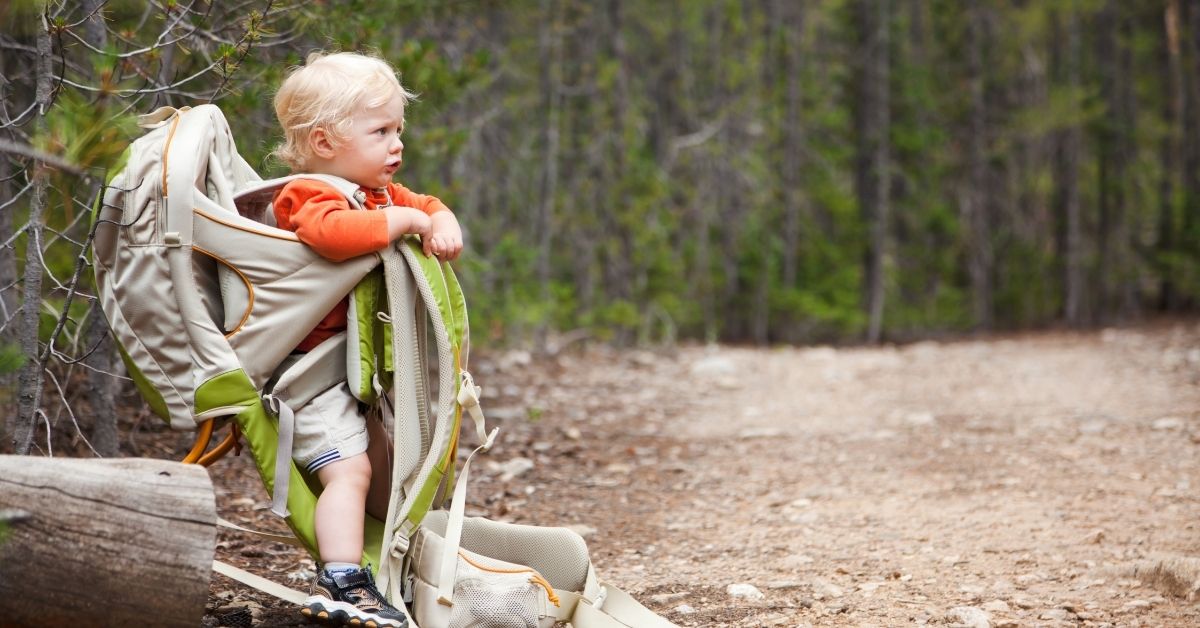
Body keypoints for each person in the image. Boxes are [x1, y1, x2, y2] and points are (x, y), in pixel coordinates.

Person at [271, 50, 463, 628]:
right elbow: (330, 236)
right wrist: (406, 223)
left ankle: (387, 561)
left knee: (390, 464)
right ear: (326, 142)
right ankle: (340, 577)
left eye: (398, 129)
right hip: (307, 376)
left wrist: (441, 218)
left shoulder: (377, 194)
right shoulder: (308, 194)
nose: (396, 144)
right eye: (380, 131)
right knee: (348, 471)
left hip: (351, 373)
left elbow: (426, 205)